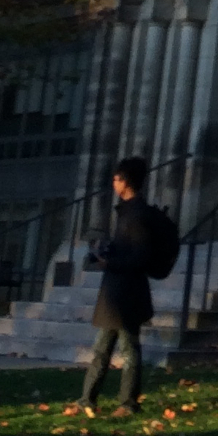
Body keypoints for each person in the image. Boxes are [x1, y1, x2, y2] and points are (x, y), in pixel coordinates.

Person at [80, 156, 159, 416]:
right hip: (117, 292)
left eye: (116, 179)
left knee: (127, 349)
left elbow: (140, 257)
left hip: (125, 293)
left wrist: (109, 261)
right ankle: (87, 399)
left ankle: (128, 402)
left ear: (125, 182)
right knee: (103, 348)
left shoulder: (136, 215)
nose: (113, 183)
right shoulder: (128, 213)